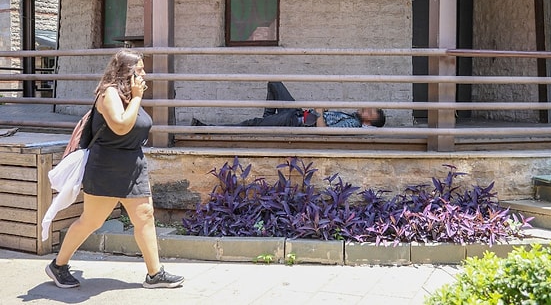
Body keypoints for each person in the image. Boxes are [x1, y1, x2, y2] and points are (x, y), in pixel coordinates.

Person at [45, 49, 184, 289]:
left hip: (133, 165)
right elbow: (121, 126)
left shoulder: (129, 94)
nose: (144, 74)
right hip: (106, 166)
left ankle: (155, 273)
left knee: (145, 216)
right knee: (91, 221)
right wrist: (139, 97)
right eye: (138, 69)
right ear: (125, 72)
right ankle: (58, 265)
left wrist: (136, 96)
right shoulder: (109, 94)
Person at [192, 81, 386, 128]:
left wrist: (319, 111)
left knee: (252, 124)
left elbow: (323, 133)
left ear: (369, 122)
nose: (366, 109)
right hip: (298, 114)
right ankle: (269, 120)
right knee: (275, 84)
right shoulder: (351, 116)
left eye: (370, 112)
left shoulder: (354, 125)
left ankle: (206, 128)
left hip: (297, 123)